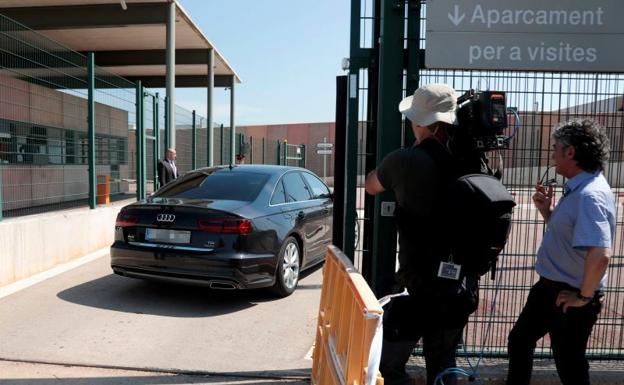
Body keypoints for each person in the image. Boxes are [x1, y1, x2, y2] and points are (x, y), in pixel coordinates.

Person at [365, 84, 478, 385]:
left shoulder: (405, 160)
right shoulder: (477, 160)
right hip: (460, 284)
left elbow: (371, 185)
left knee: (387, 366)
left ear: (418, 122)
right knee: (443, 365)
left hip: (418, 285)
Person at [506, 119, 616, 385]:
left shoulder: (590, 195)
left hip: (570, 294)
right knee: (520, 340)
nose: (552, 154)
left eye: (556, 148)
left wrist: (583, 297)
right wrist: (548, 212)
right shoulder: (579, 188)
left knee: (569, 363)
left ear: (570, 152)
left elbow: (600, 254)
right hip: (550, 289)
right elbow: (573, 235)